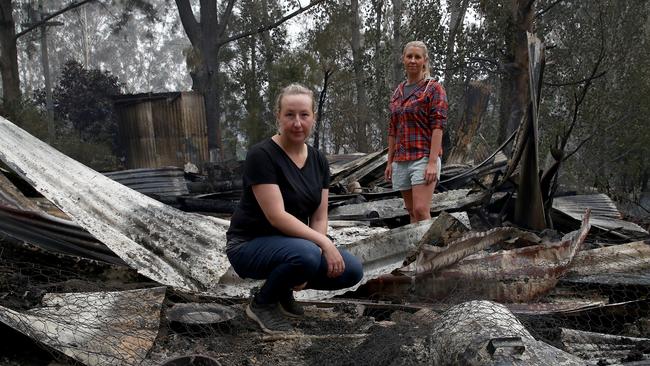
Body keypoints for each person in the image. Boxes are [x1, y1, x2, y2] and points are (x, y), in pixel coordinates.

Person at [226, 83, 364, 334]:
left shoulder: (319, 160)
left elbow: (320, 215)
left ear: (314, 117)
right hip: (248, 245)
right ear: (278, 116)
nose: (297, 123)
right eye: (289, 115)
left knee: (350, 270)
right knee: (307, 255)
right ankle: (262, 304)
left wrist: (319, 245)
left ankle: (281, 291)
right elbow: (276, 216)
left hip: (293, 247)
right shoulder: (262, 155)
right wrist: (324, 245)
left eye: (304, 115)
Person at [384, 41, 448, 223]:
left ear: (424, 60)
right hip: (401, 160)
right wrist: (390, 162)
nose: (413, 60)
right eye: (409, 56)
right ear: (403, 59)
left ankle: (432, 251)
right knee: (411, 211)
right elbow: (393, 130)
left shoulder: (433, 89)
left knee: (421, 209)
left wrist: (432, 163)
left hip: (423, 157)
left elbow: (438, 126)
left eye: (417, 57)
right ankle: (416, 251)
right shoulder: (398, 91)